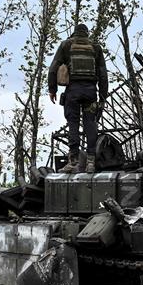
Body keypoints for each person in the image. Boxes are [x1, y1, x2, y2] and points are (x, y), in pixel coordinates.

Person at [48, 23, 108, 174]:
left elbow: (53, 68)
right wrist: (102, 96)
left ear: (74, 33)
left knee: (73, 123)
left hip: (73, 92)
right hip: (90, 92)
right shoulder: (96, 47)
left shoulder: (66, 45)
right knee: (90, 124)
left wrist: (52, 89)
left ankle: (73, 161)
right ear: (87, 34)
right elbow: (103, 74)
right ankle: (90, 162)